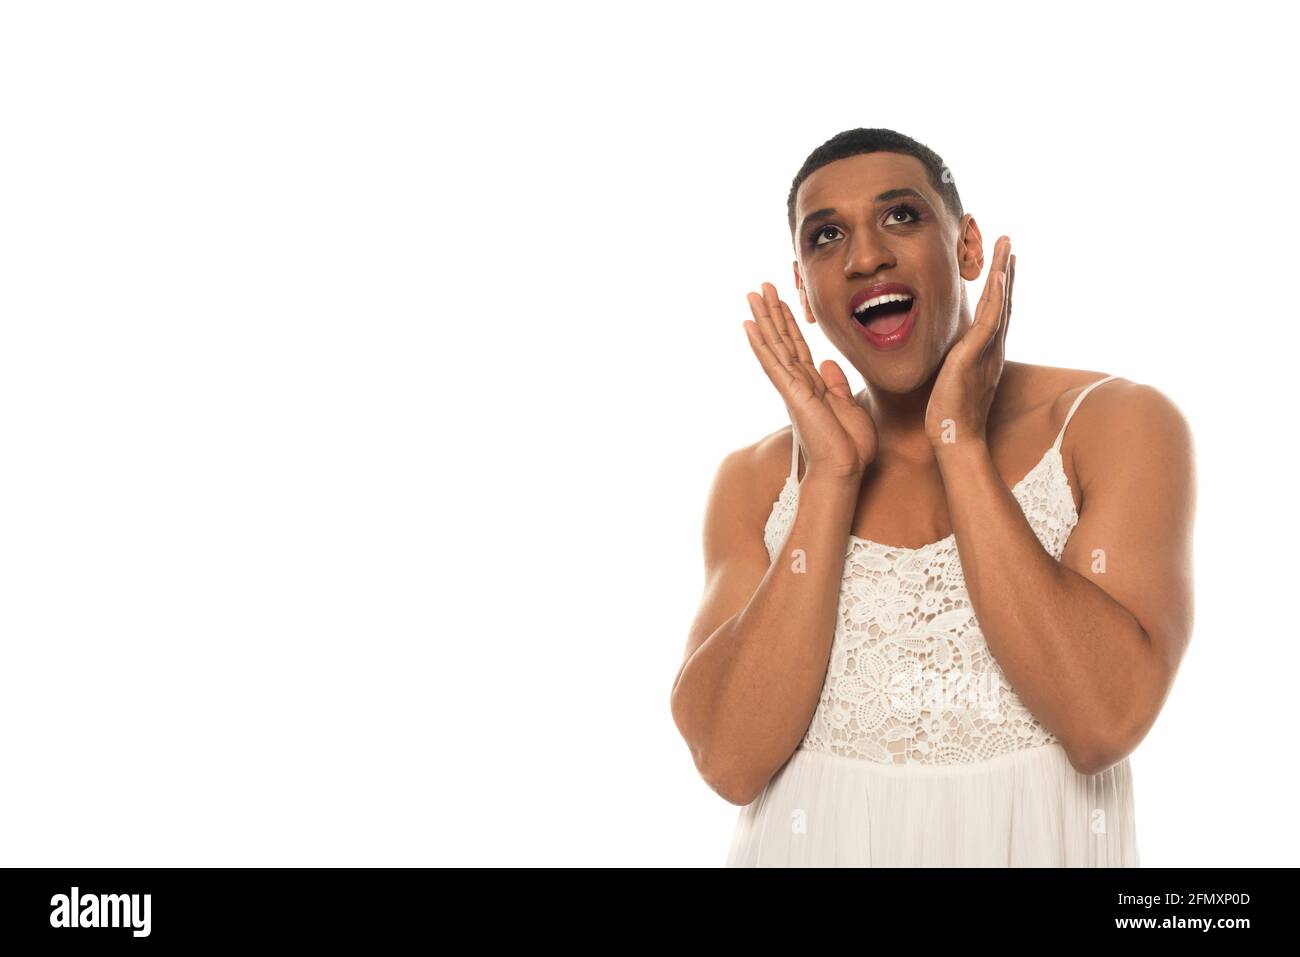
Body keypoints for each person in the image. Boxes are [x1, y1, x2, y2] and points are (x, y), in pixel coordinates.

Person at [669, 128, 1196, 866]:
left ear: (968, 248)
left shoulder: (1113, 424)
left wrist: (961, 441)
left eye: (902, 216)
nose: (864, 256)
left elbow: (1101, 719)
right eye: (827, 236)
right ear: (806, 293)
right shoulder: (758, 480)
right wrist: (831, 480)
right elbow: (729, 758)